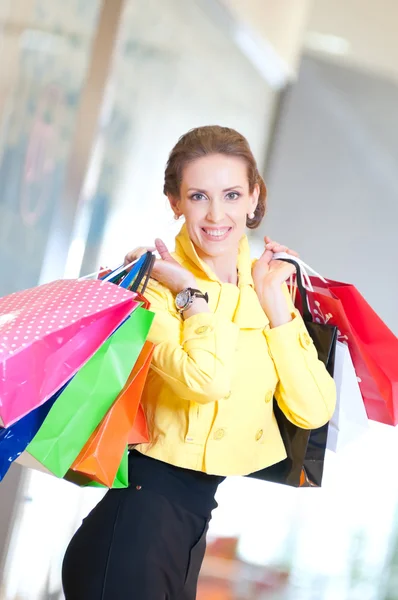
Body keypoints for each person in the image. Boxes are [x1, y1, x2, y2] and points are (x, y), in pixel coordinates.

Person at [62, 125, 336, 599]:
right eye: (197, 196)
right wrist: (190, 292)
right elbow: (204, 380)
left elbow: (313, 411)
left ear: (254, 198)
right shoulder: (154, 289)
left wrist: (274, 304)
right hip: (134, 530)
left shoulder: (267, 289)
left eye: (231, 194)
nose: (216, 215)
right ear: (175, 202)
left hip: (187, 531)